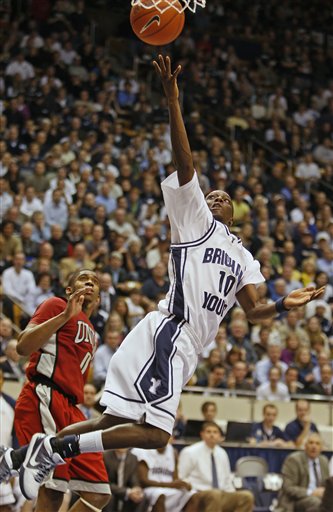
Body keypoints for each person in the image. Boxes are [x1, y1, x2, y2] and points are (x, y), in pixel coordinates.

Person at [0, 55, 325, 502]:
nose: (214, 195)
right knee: (155, 436)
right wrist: (173, 101)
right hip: (171, 330)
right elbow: (185, 160)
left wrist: (285, 304)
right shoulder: (195, 222)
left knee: (114, 424)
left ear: (237, 214)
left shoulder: (245, 257)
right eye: (210, 194)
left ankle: (24, 457)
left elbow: (254, 312)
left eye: (224, 196)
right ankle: (55, 448)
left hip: (185, 346)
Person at [2, 269, 111, 512]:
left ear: (100, 299)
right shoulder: (56, 305)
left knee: (98, 494)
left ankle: (11, 459)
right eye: (84, 279)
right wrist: (64, 315)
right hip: (45, 395)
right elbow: (22, 346)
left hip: (72, 408)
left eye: (95, 281)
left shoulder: (93, 332)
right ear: (70, 290)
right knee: (53, 489)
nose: (90, 283)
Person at [178, 421, 254, 512]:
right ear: (202, 434)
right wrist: (192, 491)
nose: (212, 435)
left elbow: (227, 479)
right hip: (198, 493)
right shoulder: (190, 452)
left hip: (220, 493)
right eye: (208, 432)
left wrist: (232, 494)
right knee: (215, 494)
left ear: (219, 436)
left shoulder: (222, 453)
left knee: (247, 496)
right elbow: (181, 477)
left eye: (215, 432)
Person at [133, 442, 199, 512]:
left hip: (168, 488)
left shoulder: (173, 451)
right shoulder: (142, 449)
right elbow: (143, 481)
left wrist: (183, 484)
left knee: (193, 494)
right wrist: (170, 485)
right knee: (160, 495)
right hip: (149, 489)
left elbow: (175, 479)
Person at [276, 433, 329, 512]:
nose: (314, 446)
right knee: (317, 503)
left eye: (317, 444)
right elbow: (288, 488)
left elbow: (326, 484)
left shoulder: (324, 461)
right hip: (296, 500)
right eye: (311, 443)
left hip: (320, 497)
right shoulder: (294, 460)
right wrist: (311, 492)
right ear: (305, 446)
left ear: (321, 448)